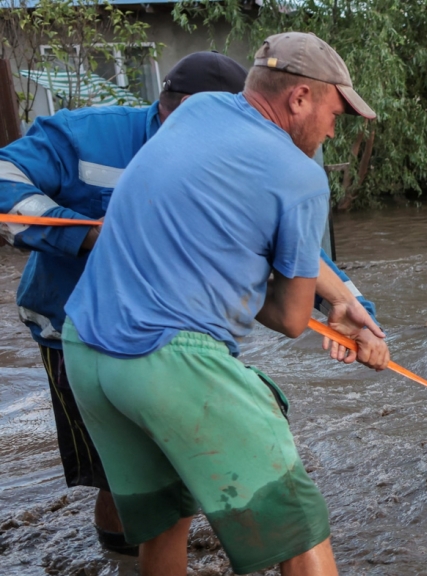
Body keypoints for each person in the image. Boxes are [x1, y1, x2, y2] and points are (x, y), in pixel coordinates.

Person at [62, 32, 386, 575]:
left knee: (166, 520)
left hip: (86, 352)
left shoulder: (199, 109)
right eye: (335, 113)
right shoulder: (301, 176)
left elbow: (215, 232)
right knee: (297, 525)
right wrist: (344, 324)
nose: (335, 128)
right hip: (167, 359)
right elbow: (287, 318)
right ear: (300, 97)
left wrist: (343, 300)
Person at [0, 51, 249, 555]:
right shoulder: (85, 135)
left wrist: (345, 301)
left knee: (184, 460)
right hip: (73, 329)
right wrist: (88, 235)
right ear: (173, 112)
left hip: (176, 334)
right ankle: (124, 562)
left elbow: (283, 240)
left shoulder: (231, 156)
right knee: (117, 473)